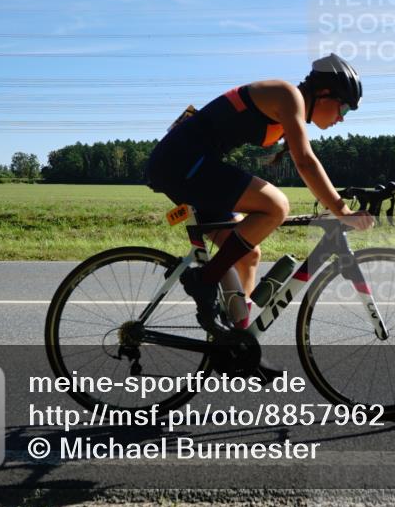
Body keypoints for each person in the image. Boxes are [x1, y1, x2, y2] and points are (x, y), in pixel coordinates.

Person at [145, 53, 375, 332]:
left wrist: (337, 203)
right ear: (324, 94)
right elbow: (305, 161)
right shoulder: (287, 95)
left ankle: (237, 340)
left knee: (248, 255)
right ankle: (204, 280)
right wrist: (342, 211)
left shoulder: (291, 110)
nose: (342, 118)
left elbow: (306, 163)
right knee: (276, 206)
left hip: (189, 166)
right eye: (345, 109)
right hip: (182, 163)